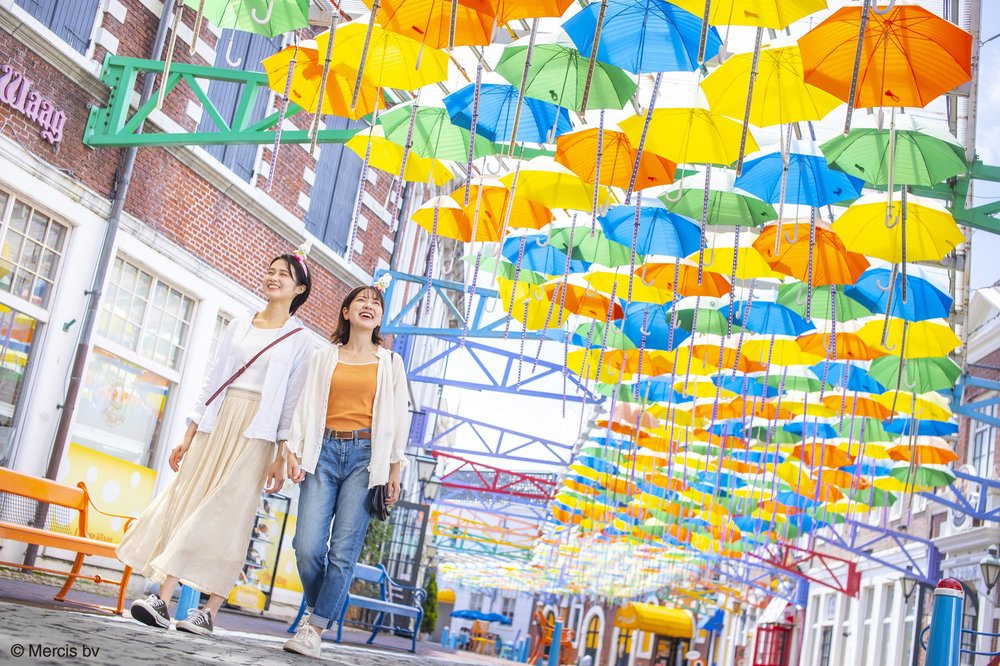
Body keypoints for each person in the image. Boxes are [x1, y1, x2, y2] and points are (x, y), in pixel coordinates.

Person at [116, 251, 313, 635]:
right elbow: (214, 380)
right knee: (190, 502)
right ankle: (162, 598)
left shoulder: (302, 340)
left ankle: (209, 610)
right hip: (218, 423)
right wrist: (190, 432)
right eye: (270, 271)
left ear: (299, 289)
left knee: (228, 515)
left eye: (283, 276)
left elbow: (292, 401)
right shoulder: (240, 324)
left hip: (257, 432)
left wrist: (280, 454)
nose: (273, 278)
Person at [282, 275, 409, 658]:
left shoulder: (390, 362)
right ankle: (326, 604)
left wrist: (394, 472)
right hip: (322, 453)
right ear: (346, 311)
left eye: (376, 304)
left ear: (379, 317)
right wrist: (293, 449)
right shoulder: (324, 356)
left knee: (342, 552)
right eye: (361, 301)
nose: (369, 306)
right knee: (305, 547)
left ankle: (314, 627)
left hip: (365, 459)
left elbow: (398, 419)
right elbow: (305, 404)